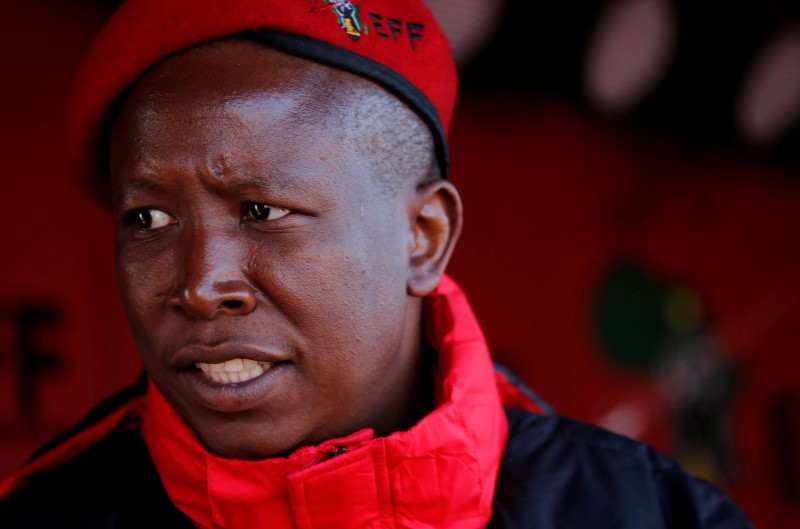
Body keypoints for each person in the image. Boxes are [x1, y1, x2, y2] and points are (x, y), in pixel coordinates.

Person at [0, 0, 753, 527]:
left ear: (423, 236)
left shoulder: (648, 514)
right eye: (149, 219)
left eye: (262, 211)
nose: (200, 284)